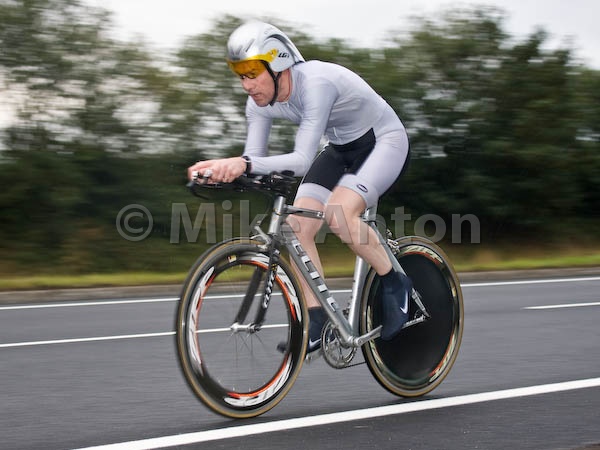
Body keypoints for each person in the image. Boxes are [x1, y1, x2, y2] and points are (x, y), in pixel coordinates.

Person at [187, 20, 412, 355]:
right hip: (341, 149)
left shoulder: (315, 83)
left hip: (384, 141)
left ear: (277, 63)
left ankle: (396, 282)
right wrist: (222, 171)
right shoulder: (258, 103)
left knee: (339, 213)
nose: (246, 84)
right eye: (240, 74)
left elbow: (302, 160)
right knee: (296, 228)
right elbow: (253, 160)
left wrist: (242, 164)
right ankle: (318, 320)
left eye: (252, 72)